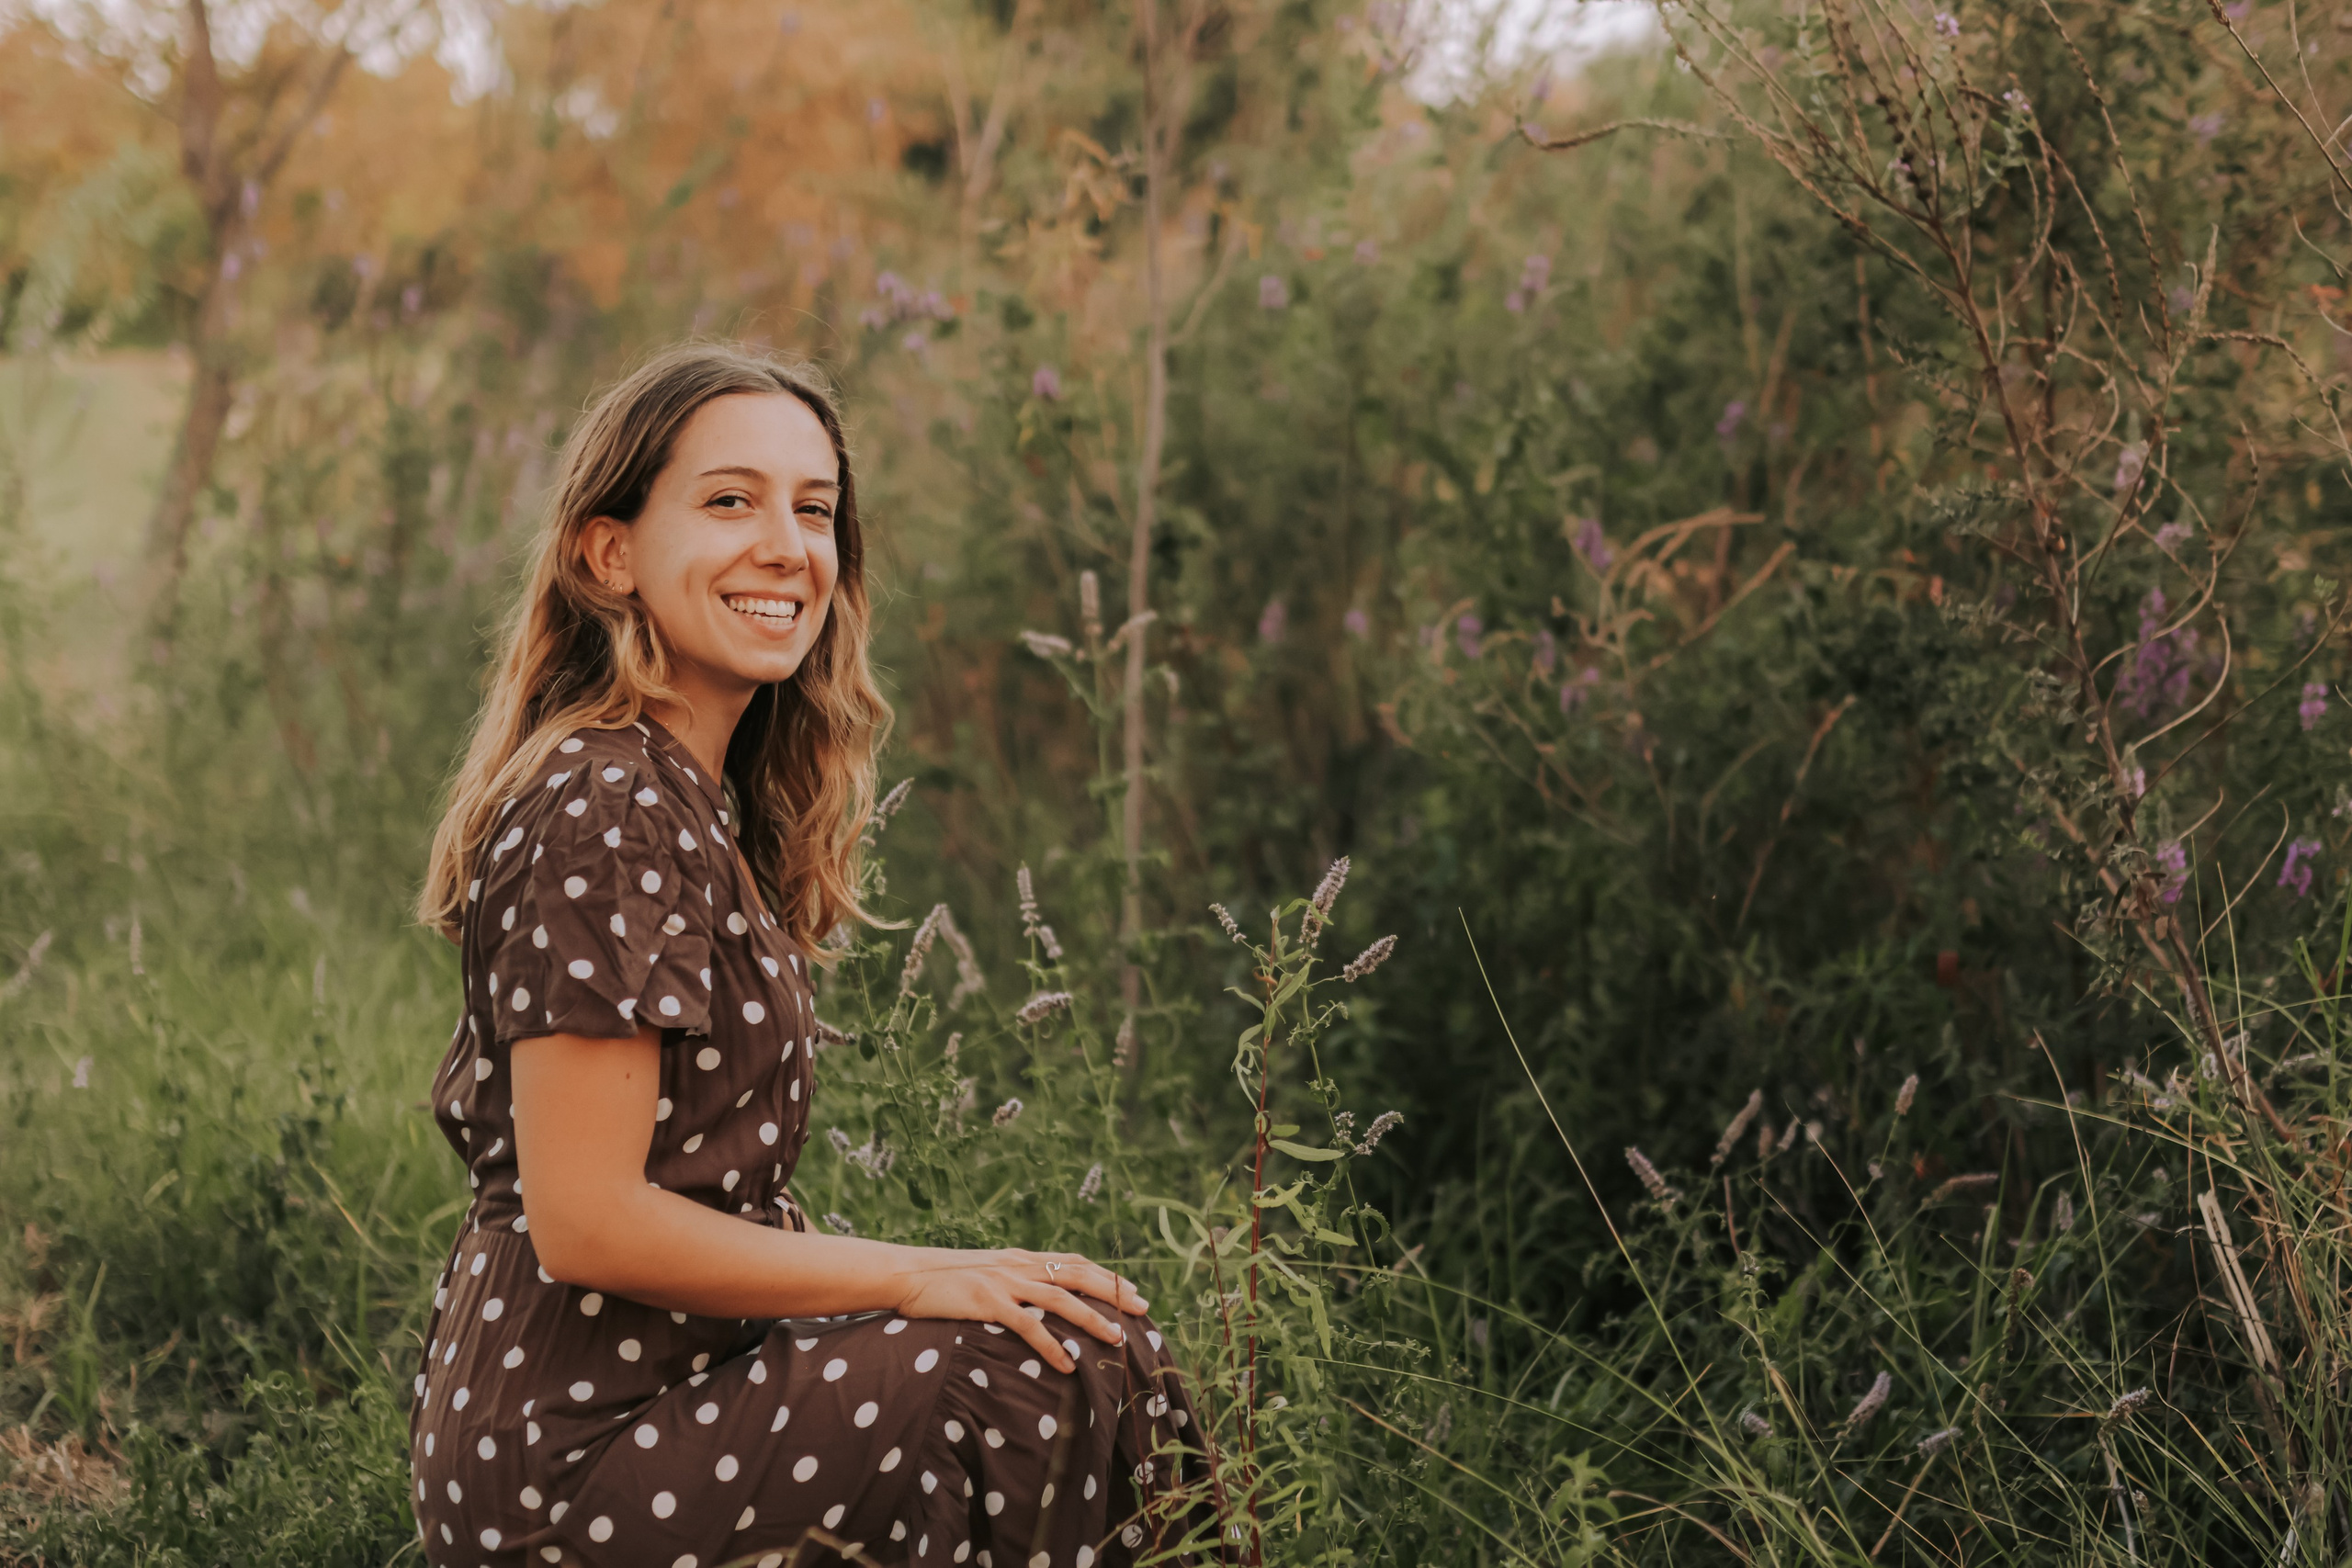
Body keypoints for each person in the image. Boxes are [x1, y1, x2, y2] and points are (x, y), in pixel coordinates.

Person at [407, 344, 1216, 1568]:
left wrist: (929, 1286)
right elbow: (584, 1223)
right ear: (608, 551)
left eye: (816, 509)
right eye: (731, 500)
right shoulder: (604, 803)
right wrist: (916, 1278)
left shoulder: (683, 795)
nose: (789, 545)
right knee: (1032, 1371)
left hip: (681, 1399)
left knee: (1082, 1342)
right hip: (576, 1460)